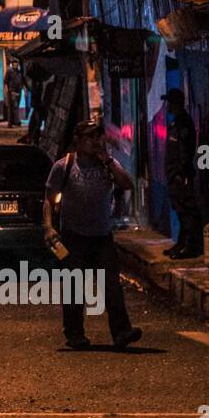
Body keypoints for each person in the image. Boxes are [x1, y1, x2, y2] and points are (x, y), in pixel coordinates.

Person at [43, 118, 141, 350]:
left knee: (112, 287)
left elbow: (127, 184)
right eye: (90, 137)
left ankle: (121, 332)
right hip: (73, 236)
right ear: (78, 141)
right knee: (75, 288)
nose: (96, 142)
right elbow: (49, 200)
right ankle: (75, 334)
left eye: (98, 136)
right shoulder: (64, 166)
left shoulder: (107, 165)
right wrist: (48, 227)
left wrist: (108, 161)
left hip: (102, 236)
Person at [162, 88, 203, 259]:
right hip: (173, 175)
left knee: (187, 211)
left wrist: (181, 173)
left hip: (180, 176)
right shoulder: (175, 124)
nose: (167, 106)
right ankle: (181, 243)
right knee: (179, 209)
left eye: (169, 103)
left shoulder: (184, 124)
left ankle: (191, 246)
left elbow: (185, 152)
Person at [4, 61, 25, 128]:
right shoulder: (9, 71)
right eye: (14, 65)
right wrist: (7, 90)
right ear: (12, 65)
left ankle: (12, 122)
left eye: (16, 65)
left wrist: (23, 89)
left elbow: (22, 81)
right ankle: (17, 122)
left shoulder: (19, 72)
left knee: (15, 106)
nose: (15, 66)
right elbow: (6, 82)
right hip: (12, 91)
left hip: (18, 91)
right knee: (14, 106)